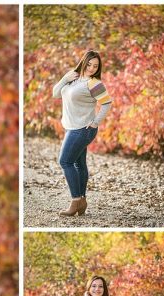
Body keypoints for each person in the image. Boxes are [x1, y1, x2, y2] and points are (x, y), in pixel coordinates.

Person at [52, 50, 113, 217]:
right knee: (78, 164)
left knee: (65, 161)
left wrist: (95, 122)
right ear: (83, 62)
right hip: (72, 127)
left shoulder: (94, 83)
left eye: (96, 66)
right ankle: (82, 201)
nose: (92, 68)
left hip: (83, 129)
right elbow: (56, 93)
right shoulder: (73, 78)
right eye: (90, 64)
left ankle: (75, 200)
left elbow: (107, 103)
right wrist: (65, 78)